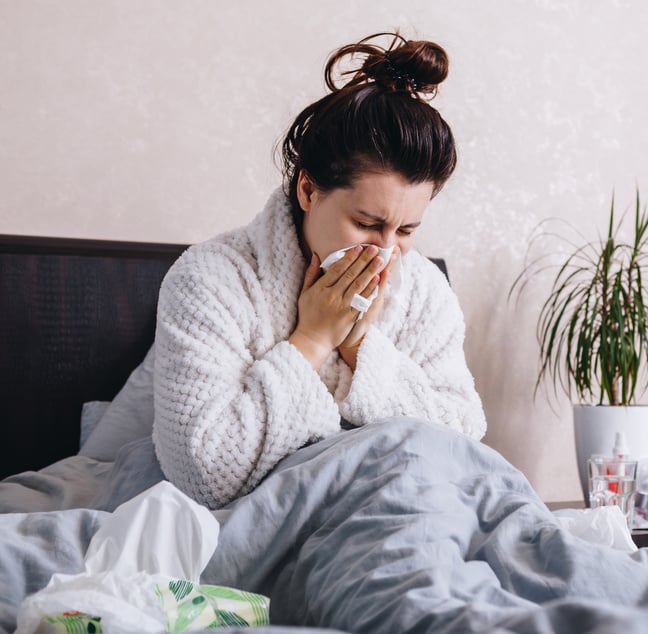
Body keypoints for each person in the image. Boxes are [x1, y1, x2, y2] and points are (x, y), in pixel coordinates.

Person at [151, 32, 487, 509]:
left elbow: (464, 446)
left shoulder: (425, 292)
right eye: (367, 223)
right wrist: (312, 340)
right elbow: (202, 477)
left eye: (407, 230)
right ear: (308, 191)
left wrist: (359, 348)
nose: (387, 250)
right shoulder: (210, 279)